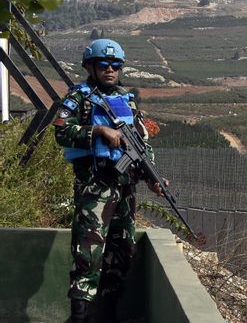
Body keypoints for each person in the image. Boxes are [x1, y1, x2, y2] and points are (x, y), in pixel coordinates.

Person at [53, 39, 164, 323]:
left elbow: (141, 143)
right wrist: (98, 130)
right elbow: (61, 131)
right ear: (90, 67)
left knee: (122, 252)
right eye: (104, 65)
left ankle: (108, 314)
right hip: (94, 188)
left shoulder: (126, 99)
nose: (110, 70)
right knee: (88, 256)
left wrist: (152, 176)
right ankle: (81, 318)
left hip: (125, 190)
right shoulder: (79, 97)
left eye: (115, 65)